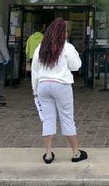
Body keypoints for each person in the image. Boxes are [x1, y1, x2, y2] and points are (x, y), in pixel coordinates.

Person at [31, 18, 88, 164]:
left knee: (48, 119)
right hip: (61, 85)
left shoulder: (40, 48)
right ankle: (76, 153)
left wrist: (35, 91)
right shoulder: (67, 47)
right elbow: (76, 66)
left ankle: (48, 154)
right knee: (67, 118)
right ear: (63, 33)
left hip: (43, 85)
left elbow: (35, 71)